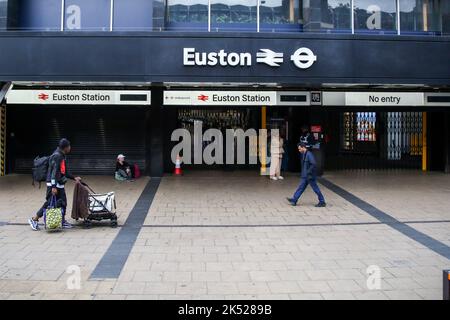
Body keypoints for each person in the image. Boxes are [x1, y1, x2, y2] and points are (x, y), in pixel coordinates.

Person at [28, 138, 81, 231]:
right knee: (49, 203)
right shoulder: (57, 156)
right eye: (69, 146)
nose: (70, 148)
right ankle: (34, 219)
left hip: (59, 184)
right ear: (66, 147)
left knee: (63, 202)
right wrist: (53, 186)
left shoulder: (62, 155)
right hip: (54, 184)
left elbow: (64, 171)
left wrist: (74, 178)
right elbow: (54, 172)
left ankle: (62, 221)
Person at [287, 142, 326, 207]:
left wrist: (308, 172)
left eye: (299, 149)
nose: (299, 150)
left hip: (310, 176)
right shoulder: (304, 154)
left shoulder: (309, 154)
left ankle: (322, 201)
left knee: (315, 189)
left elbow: (313, 164)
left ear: (303, 147)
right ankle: (294, 199)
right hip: (305, 176)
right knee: (301, 187)